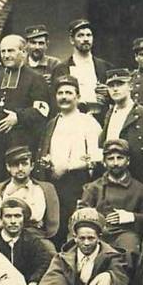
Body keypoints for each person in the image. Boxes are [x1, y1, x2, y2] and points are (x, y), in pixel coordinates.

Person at [35, 75, 102, 241]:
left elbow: (97, 156)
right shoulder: (52, 123)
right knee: (54, 224)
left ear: (78, 97)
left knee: (73, 225)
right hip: (53, 181)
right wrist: (47, 161)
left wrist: (69, 166)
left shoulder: (88, 122)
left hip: (78, 182)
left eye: (69, 93)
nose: (64, 97)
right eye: (60, 93)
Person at [0, 34, 51, 187]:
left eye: (10, 51)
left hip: (21, 144)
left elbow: (42, 110)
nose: (6, 55)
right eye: (3, 51)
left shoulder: (35, 78)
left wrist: (19, 117)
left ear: (23, 52)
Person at [78, 139, 143, 265]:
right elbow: (81, 214)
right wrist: (95, 219)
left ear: (128, 161)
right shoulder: (93, 188)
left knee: (129, 251)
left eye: (120, 158)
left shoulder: (141, 190)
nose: (115, 163)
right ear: (104, 162)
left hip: (125, 233)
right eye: (111, 159)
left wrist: (131, 217)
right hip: (98, 233)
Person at [99, 69, 143, 188]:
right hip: (114, 176)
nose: (115, 89)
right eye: (111, 85)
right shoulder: (109, 113)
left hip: (138, 178)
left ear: (130, 86)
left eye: (120, 84)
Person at [0, 146, 60, 245]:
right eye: (15, 165)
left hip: (33, 238)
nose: (20, 169)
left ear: (32, 166)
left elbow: (37, 216)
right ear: (8, 167)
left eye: (24, 164)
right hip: (3, 238)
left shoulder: (42, 189)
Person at [51, 19, 114, 115]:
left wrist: (108, 93)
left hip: (100, 120)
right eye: (80, 35)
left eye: (89, 35)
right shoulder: (61, 69)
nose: (85, 39)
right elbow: (55, 101)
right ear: (72, 40)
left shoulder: (105, 67)